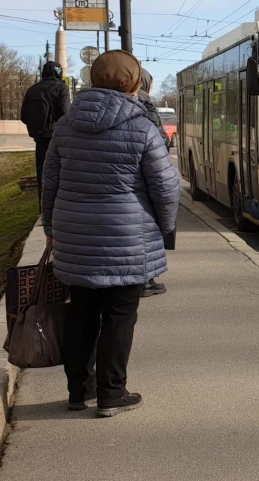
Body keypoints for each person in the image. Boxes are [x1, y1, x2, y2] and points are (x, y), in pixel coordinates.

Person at [40, 50, 179, 417]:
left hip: (74, 237)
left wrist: (51, 228)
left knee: (81, 312)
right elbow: (166, 188)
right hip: (128, 239)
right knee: (119, 315)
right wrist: (163, 228)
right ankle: (111, 395)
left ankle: (77, 391)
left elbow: (49, 181)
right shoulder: (142, 128)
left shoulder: (66, 125)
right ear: (134, 82)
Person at [136, 69, 168, 298]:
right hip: (139, 186)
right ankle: (145, 280)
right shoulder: (146, 108)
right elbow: (161, 145)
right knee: (142, 233)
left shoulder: (74, 116)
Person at [19, 61, 70, 201]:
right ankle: (57, 207)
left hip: (40, 139)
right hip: (57, 138)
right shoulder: (61, 89)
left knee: (43, 174)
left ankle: (43, 209)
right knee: (59, 174)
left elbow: (23, 116)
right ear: (59, 73)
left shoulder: (32, 89)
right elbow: (66, 114)